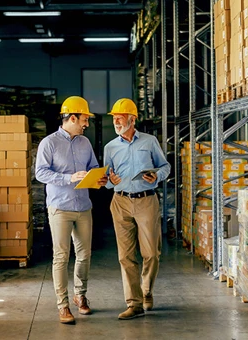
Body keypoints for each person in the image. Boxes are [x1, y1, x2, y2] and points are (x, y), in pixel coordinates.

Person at [35, 96, 108, 324]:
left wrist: (99, 178)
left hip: (83, 206)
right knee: (61, 256)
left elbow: (93, 167)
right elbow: (41, 173)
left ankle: (80, 296)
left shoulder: (85, 143)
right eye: (84, 119)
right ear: (72, 117)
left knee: (84, 255)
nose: (86, 124)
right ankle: (63, 305)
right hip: (60, 207)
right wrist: (69, 178)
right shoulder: (49, 143)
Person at [103, 98, 171, 320]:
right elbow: (107, 179)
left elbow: (165, 166)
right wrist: (110, 180)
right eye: (114, 118)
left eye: (120, 117)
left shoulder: (150, 142)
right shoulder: (110, 147)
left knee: (151, 252)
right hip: (120, 201)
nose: (116, 121)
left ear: (132, 119)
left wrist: (156, 176)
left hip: (146, 200)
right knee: (125, 256)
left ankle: (147, 290)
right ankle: (134, 303)